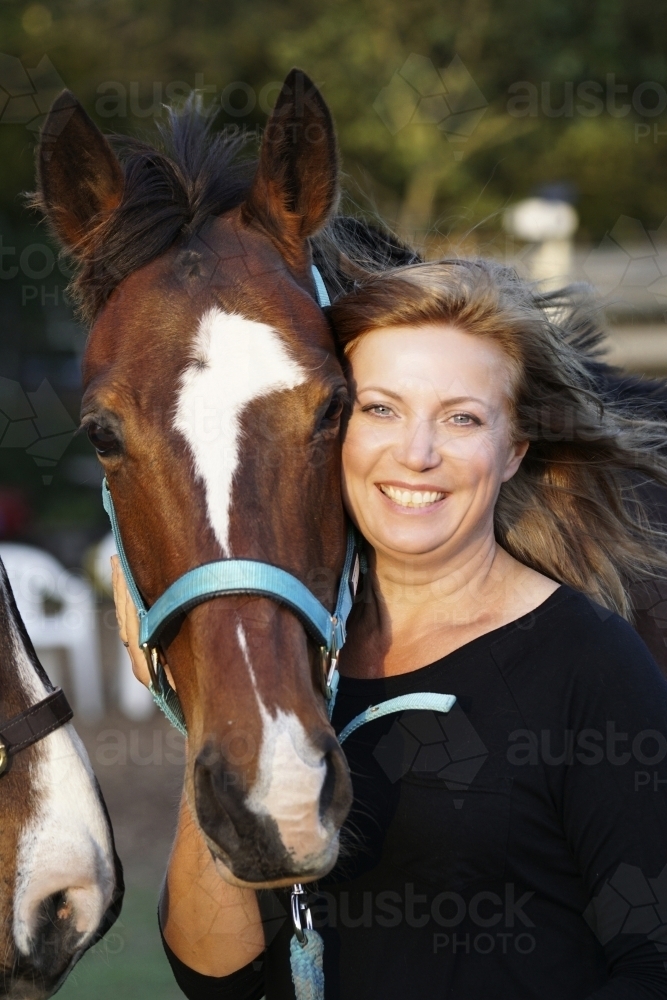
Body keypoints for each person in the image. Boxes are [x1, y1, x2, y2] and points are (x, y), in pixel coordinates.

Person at [113, 257, 667, 999]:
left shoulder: (587, 661)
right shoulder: (295, 659)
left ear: (512, 452)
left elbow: (653, 963)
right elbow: (219, 978)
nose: (416, 453)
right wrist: (201, 699)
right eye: (379, 409)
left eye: (462, 418)